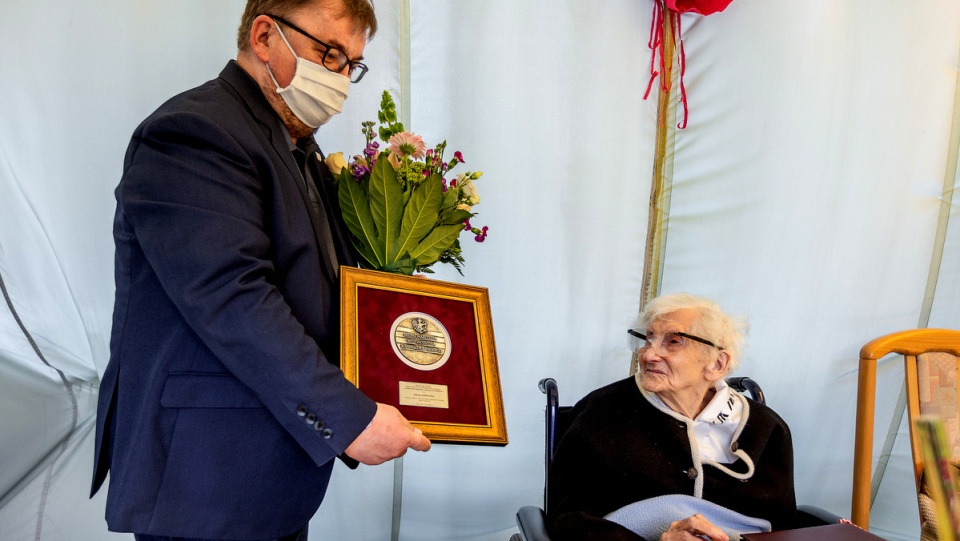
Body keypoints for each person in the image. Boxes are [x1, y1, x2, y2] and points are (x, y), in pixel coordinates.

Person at [90, 1, 431, 540]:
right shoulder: (194, 133)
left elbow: (317, 287)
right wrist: (347, 417)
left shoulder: (296, 149)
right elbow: (235, 299)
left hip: (268, 477)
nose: (340, 79)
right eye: (329, 53)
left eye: (351, 65)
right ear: (265, 35)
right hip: (207, 479)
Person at [547, 293, 797, 541]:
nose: (648, 355)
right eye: (648, 339)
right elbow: (566, 521)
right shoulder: (600, 413)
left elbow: (783, 526)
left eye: (674, 341)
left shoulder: (766, 427)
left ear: (717, 364)